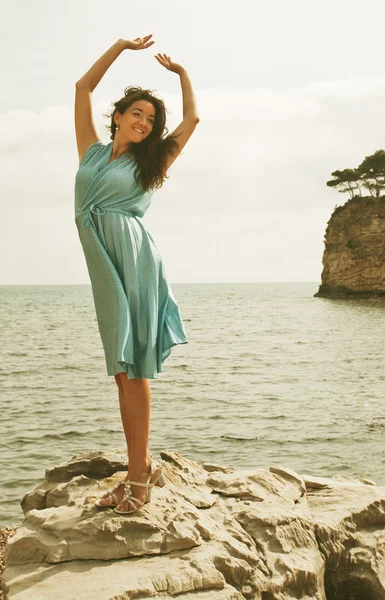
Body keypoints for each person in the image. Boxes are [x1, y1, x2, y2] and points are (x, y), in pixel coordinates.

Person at [74, 34, 199, 514]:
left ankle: (138, 478)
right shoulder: (90, 152)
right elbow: (83, 87)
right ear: (119, 117)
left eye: (151, 119)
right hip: (103, 256)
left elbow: (192, 121)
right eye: (137, 115)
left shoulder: (153, 161)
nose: (145, 124)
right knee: (121, 368)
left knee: (132, 365)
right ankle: (140, 466)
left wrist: (183, 75)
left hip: (133, 255)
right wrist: (120, 47)